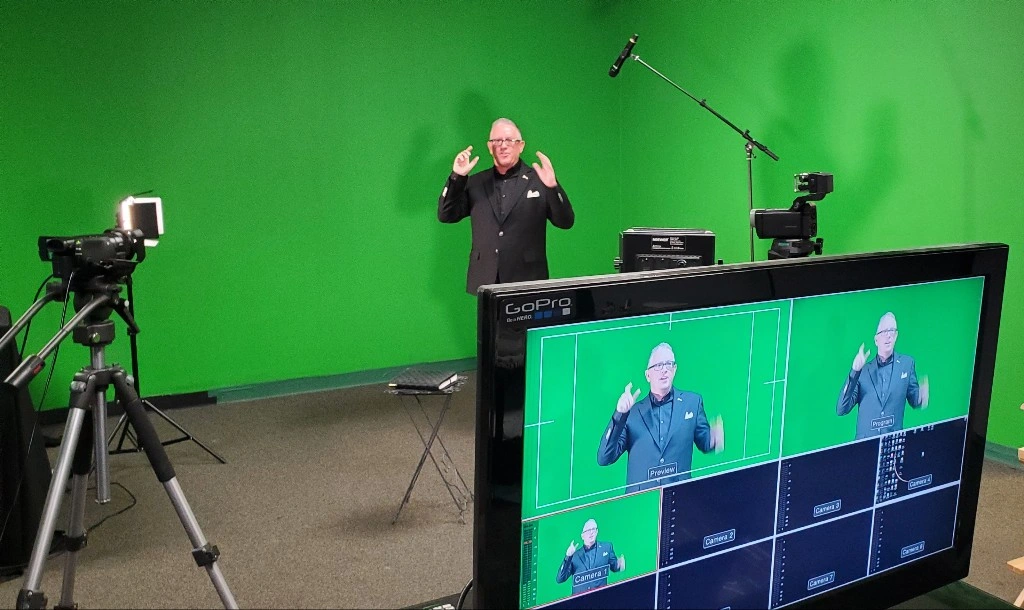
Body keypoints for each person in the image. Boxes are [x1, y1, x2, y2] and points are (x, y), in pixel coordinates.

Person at [437, 118, 574, 294]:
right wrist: (457, 177)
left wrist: (553, 187)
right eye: (497, 141)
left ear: (521, 145)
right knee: (488, 323)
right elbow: (446, 215)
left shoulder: (539, 180)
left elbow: (566, 221)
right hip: (486, 279)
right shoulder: (476, 182)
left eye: (509, 140)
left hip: (528, 278)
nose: (503, 145)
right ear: (489, 146)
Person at [597, 342, 724, 494]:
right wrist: (620, 414)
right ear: (647, 375)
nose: (664, 370)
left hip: (680, 498)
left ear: (675, 369)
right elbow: (604, 458)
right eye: (658, 365)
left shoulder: (692, 403)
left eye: (668, 364)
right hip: (640, 503)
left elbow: (705, 442)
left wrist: (713, 439)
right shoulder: (632, 413)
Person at [837, 312, 929, 439]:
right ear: (876, 339)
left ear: (896, 335)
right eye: (884, 331)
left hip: (893, 445)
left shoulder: (906, 365)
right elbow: (842, 409)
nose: (888, 336)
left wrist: (921, 398)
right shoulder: (862, 371)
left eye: (892, 331)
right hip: (865, 447)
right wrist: (855, 371)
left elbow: (914, 400)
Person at [555, 518, 624, 594]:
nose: (591, 532)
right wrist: (568, 556)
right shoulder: (574, 556)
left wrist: (619, 564)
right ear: (582, 536)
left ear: (597, 532)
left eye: (593, 529)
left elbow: (614, 566)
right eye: (588, 530)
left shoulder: (606, 547)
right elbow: (560, 579)